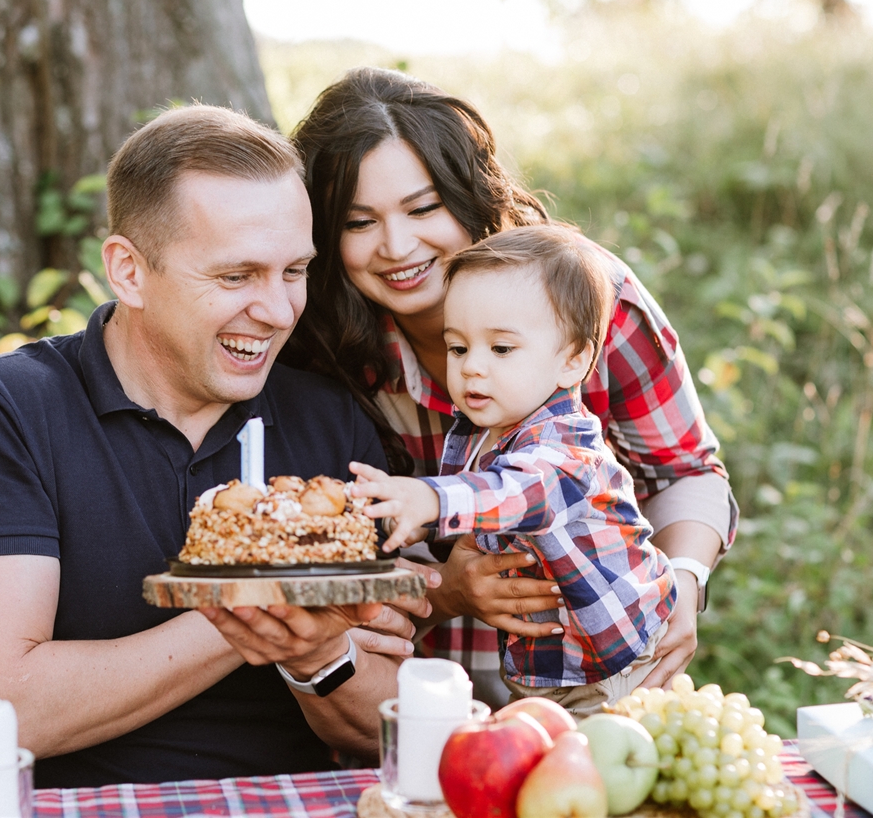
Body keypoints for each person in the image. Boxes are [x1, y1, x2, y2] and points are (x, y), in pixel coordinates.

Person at [0, 104, 433, 789]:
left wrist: (322, 655)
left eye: (294, 272)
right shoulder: (1, 411)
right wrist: (271, 600)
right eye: (236, 276)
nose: (276, 311)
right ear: (128, 272)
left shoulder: (329, 420)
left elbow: (382, 723)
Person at [284, 66, 737, 708]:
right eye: (359, 223)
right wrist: (448, 588)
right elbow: (326, 569)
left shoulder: (588, 304)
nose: (397, 245)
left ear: (469, 195)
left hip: (592, 670)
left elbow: (687, 470)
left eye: (423, 208)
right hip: (423, 690)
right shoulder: (327, 345)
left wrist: (684, 580)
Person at [351, 226, 678, 713]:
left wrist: (432, 499)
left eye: (500, 349)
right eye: (458, 348)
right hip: (546, 664)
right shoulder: (484, 430)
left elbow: (516, 492)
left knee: (588, 778)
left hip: (614, 671)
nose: (471, 368)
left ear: (573, 361)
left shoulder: (568, 449)